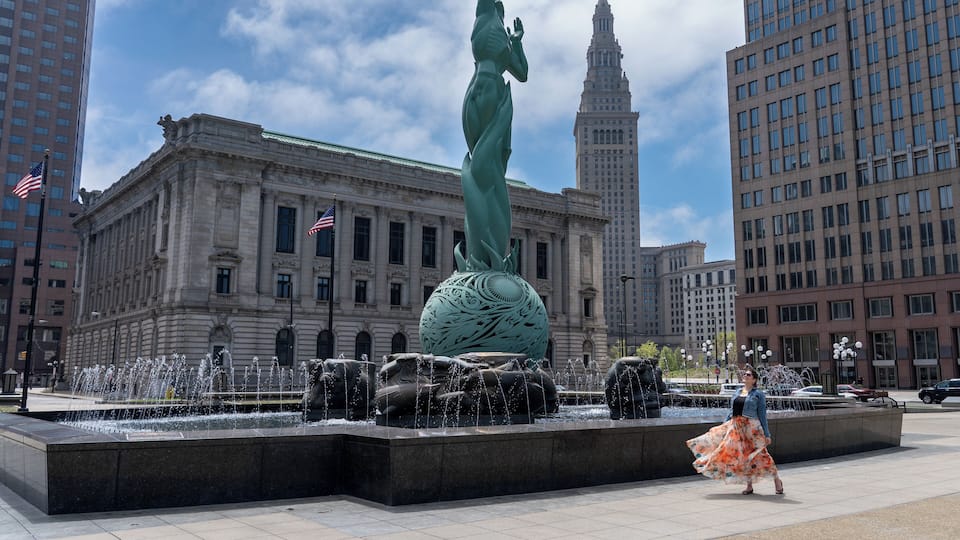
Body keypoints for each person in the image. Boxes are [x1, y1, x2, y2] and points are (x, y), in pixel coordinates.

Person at [685, 366, 784, 495]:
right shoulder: (737, 392)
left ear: (754, 380)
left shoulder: (758, 394)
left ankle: (777, 480)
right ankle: (749, 486)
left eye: (748, 375)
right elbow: (731, 411)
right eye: (745, 374)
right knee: (742, 457)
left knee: (761, 455)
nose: (745, 376)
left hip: (752, 429)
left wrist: (767, 434)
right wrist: (724, 426)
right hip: (736, 428)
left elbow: (762, 415)